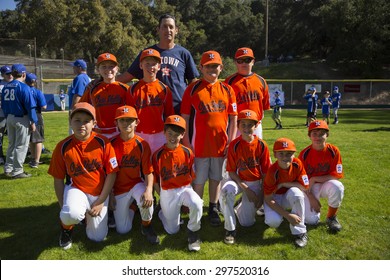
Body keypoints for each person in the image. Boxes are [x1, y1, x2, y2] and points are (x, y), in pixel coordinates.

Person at [47, 102, 119, 250]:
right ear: (70, 122)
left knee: (97, 238)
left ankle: (86, 216)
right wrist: (63, 208)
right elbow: (58, 179)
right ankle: (66, 229)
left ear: (94, 123)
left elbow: (112, 174)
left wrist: (101, 201)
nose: (81, 125)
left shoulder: (103, 142)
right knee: (70, 214)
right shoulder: (62, 146)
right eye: (77, 120)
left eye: (87, 121)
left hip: (99, 193)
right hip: (77, 189)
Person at [181, 50, 238, 226]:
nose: (212, 69)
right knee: (198, 180)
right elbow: (185, 118)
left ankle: (213, 207)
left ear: (221, 68)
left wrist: (231, 140)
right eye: (208, 66)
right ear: (201, 68)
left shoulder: (228, 90)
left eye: (215, 66)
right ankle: (197, 207)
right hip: (199, 144)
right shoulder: (193, 88)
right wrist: (186, 142)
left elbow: (233, 117)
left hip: (220, 144)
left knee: (216, 178)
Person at [117, 14, 199, 114]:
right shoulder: (147, 53)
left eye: (171, 27)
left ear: (176, 30)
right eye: (164, 27)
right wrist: (102, 80)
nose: (168, 30)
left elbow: (193, 83)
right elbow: (126, 77)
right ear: (158, 30)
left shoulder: (184, 53)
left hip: (179, 109)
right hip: (154, 109)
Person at [219, 109, 271, 244]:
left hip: (255, 182)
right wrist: (246, 189)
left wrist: (261, 196)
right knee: (226, 191)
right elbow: (231, 171)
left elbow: (266, 173)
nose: (247, 128)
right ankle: (230, 229)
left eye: (250, 125)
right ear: (238, 126)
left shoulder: (261, 145)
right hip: (237, 180)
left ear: (256, 126)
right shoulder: (234, 145)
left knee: (247, 223)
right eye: (243, 124)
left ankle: (239, 205)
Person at [152, 115, 203, 251]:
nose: (173, 136)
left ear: (183, 135)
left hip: (184, 188)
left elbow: (191, 176)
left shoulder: (187, 152)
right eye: (170, 133)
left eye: (177, 133)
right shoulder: (157, 155)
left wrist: (187, 198)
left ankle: (193, 232)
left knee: (197, 203)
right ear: (164, 132)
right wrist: (161, 196)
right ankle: (162, 213)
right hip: (167, 192)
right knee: (172, 230)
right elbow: (155, 181)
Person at [110, 105, 159, 244]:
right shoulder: (111, 144)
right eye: (122, 120)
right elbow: (107, 174)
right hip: (118, 189)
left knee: (146, 201)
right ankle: (132, 207)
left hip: (136, 184)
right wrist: (110, 194)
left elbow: (148, 171)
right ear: (116, 123)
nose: (126, 123)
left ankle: (146, 226)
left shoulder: (142, 144)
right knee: (123, 230)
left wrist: (149, 190)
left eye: (130, 120)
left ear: (137, 122)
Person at [298, 120, 345, 233]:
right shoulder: (304, 154)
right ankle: (303, 206)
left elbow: (336, 175)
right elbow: (300, 181)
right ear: (309, 136)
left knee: (337, 186)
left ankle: (331, 217)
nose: (318, 137)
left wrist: (315, 179)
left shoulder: (333, 151)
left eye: (321, 134)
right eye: (314, 134)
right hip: (309, 188)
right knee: (311, 221)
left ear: (327, 135)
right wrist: (311, 198)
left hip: (326, 184)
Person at [263, 138, 310, 247]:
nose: (285, 157)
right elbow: (268, 198)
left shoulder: (297, 164)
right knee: (273, 222)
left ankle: (300, 232)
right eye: (281, 153)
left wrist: (284, 184)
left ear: (294, 154)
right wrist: (287, 215)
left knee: (297, 193)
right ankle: (267, 211)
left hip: (288, 196)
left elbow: (305, 186)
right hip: (274, 197)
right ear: (275, 154)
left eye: (289, 153)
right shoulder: (272, 171)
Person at [128, 48, 174, 154]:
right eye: (147, 63)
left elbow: (169, 114)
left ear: (159, 66)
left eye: (154, 64)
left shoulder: (164, 89)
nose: (150, 67)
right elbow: (131, 116)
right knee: (140, 167)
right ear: (140, 65)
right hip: (139, 133)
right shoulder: (132, 89)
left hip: (160, 134)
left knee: (159, 166)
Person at [80, 52, 131, 140]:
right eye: (104, 66)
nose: (108, 69)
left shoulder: (125, 89)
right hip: (98, 132)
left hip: (120, 132)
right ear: (98, 69)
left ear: (117, 69)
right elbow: (82, 108)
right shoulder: (92, 89)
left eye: (111, 66)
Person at [224, 47, 270, 139]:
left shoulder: (261, 81)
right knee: (235, 151)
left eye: (247, 60)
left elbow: (264, 106)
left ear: (253, 61)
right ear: (235, 62)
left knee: (256, 151)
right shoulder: (229, 82)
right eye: (240, 60)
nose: (244, 63)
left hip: (255, 125)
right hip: (236, 126)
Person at [2, 64, 37, 179]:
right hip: (21, 118)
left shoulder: (6, 86)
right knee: (21, 145)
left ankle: (8, 168)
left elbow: (4, 105)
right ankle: (17, 171)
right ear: (23, 74)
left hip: (9, 117)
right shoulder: (24, 87)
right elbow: (30, 107)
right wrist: (33, 121)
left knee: (11, 144)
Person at [25, 73, 47, 168]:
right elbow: (44, 106)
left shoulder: (24, 90)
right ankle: (36, 161)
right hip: (36, 115)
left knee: (31, 139)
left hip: (25, 116)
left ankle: (33, 158)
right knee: (38, 139)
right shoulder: (38, 92)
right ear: (35, 81)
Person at [68, 59, 91, 134]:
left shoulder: (80, 78)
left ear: (79, 68)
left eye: (74, 67)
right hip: (85, 109)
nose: (73, 69)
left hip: (79, 110)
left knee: (75, 134)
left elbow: (78, 95)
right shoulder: (87, 78)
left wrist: (73, 111)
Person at [0, 65, 13, 165]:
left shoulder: (16, 83)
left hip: (13, 114)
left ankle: (12, 158)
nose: (10, 75)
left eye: (11, 73)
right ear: (3, 75)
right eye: (7, 74)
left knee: (13, 137)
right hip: (2, 114)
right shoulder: (1, 85)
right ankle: (0, 156)